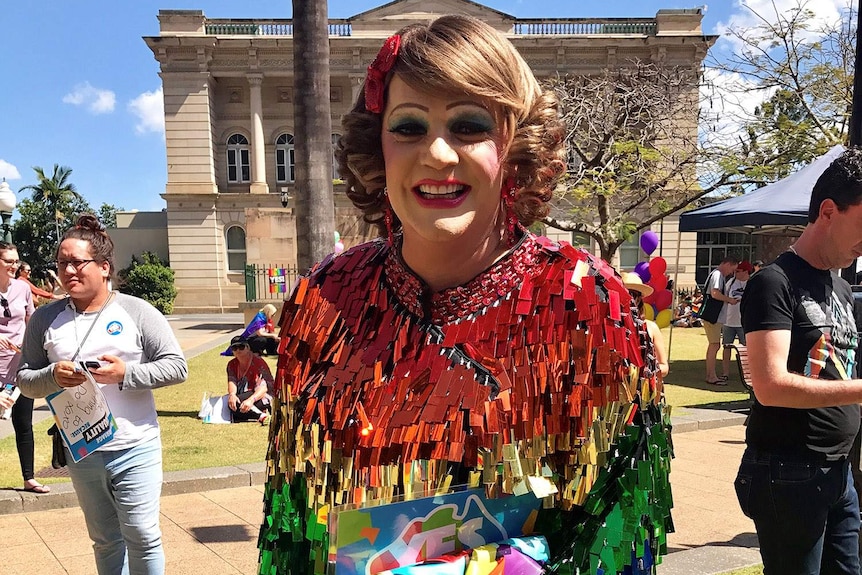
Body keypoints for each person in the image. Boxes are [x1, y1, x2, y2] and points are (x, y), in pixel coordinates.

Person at [257, 15, 670, 575]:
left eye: (469, 125)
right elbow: (292, 521)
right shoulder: (327, 299)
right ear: (378, 148)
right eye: (408, 127)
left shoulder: (586, 301)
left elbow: (622, 525)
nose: (439, 154)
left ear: (514, 147)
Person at [17, 214, 188, 575]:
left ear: (105, 267)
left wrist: (126, 374)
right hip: (82, 451)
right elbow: (25, 379)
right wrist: (52, 375)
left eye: (78, 262)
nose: (68, 271)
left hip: (135, 445)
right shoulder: (45, 319)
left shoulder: (136, 312)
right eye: (62, 263)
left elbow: (177, 366)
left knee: (142, 533)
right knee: (106, 539)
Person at [735, 147, 862, 574]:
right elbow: (769, 387)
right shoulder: (774, 282)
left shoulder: (841, 289)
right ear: (828, 211)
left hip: (837, 471)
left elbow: (838, 370)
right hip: (787, 470)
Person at [0, 244, 47, 493]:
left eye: (16, 261)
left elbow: (31, 320)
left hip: (18, 369)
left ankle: (29, 478)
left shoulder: (22, 289)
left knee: (24, 424)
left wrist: (30, 344)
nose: (14, 265)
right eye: (9, 261)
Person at [701, 257, 740, 384]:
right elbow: (715, 293)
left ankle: (710, 375)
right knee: (714, 345)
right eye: (732, 270)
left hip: (714, 317)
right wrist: (730, 300)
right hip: (713, 317)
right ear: (728, 264)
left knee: (714, 345)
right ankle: (711, 376)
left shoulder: (716, 274)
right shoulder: (717, 275)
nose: (731, 273)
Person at [623, 272, 669, 377]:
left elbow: (664, 366)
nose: (627, 299)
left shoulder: (650, 327)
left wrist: (643, 371)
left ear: (639, 299)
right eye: (623, 293)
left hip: (643, 389)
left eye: (632, 294)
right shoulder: (606, 326)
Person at [225, 335, 273, 425]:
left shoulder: (258, 362)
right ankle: (260, 413)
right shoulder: (232, 364)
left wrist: (251, 400)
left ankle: (260, 414)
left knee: (236, 406)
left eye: (241, 347)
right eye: (235, 348)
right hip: (246, 393)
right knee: (232, 403)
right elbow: (232, 381)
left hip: (262, 395)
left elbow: (264, 387)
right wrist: (232, 395)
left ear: (248, 348)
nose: (238, 350)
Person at [719, 260, 752, 382]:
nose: (735, 273)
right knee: (726, 347)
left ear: (746, 272)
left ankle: (747, 374)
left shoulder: (752, 283)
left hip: (744, 322)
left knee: (746, 349)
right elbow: (724, 297)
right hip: (729, 321)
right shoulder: (731, 283)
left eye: (738, 271)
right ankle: (725, 373)